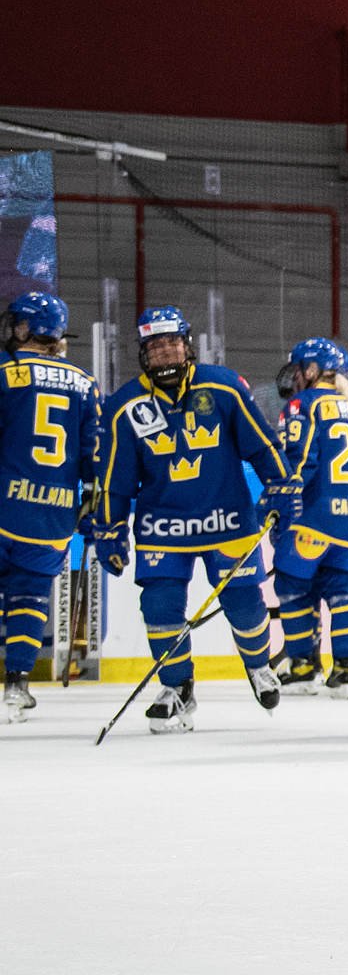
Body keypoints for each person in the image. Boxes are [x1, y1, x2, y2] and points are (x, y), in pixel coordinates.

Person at [90, 306, 300, 731]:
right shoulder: (124, 405)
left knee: (245, 605)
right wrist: (109, 529)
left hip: (229, 521)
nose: (165, 352)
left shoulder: (222, 387)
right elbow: (115, 479)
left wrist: (280, 488)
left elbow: (261, 446)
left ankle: (258, 665)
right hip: (162, 526)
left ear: (187, 345)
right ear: (143, 354)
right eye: (155, 346)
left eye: (172, 343)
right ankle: (177, 687)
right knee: (160, 607)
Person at [272, 338, 348, 698]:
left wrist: (277, 499)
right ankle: (346, 670)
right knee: (346, 590)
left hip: (314, 516)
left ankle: (305, 667)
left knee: (292, 586)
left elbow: (298, 460)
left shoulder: (303, 404)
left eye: (298, 369)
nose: (295, 377)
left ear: (311, 371)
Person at [0, 292, 100, 723]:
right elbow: (95, 454)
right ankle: (16, 687)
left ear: (25, 329)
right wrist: (94, 502)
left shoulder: (6, 373)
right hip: (52, 516)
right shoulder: (85, 382)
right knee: (28, 598)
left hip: (4, 505)